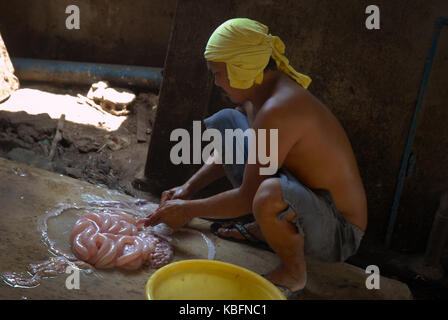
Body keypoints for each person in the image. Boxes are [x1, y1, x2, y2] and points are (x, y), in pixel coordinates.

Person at [139, 18, 367, 294]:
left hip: (340, 231)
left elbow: (249, 196)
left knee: (267, 195)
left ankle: (294, 273)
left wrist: (187, 210)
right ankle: (266, 227)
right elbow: (248, 157)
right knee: (228, 122)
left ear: (241, 70)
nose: (216, 82)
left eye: (218, 73)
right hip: (305, 195)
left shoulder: (278, 108)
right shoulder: (258, 94)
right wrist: (189, 189)